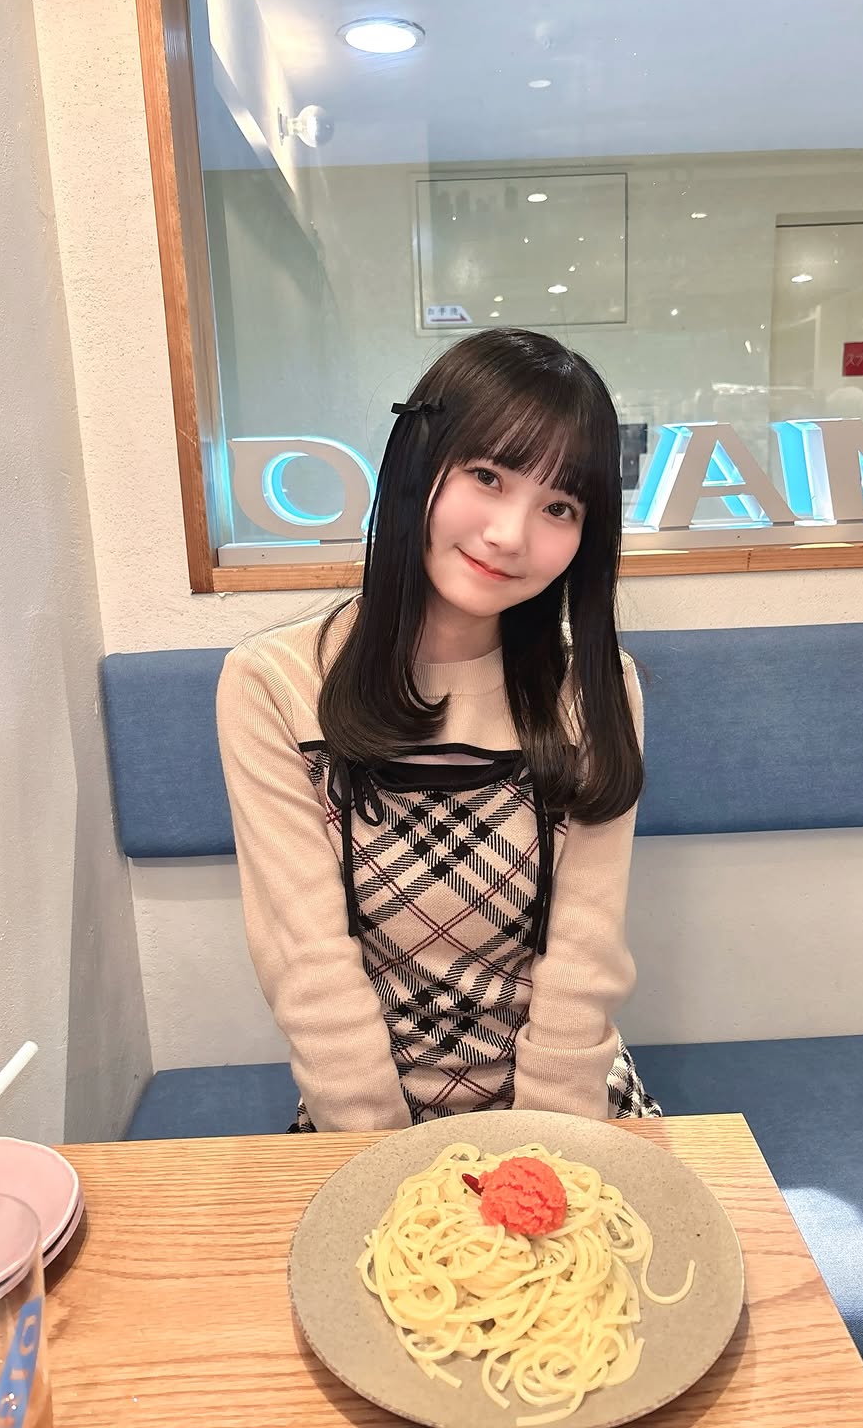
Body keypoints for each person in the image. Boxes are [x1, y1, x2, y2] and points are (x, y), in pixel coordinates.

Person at [216, 328, 661, 1132]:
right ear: (419, 464)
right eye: (487, 476)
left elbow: (585, 957)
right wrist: (381, 1157)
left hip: (561, 1100)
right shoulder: (274, 684)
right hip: (369, 1110)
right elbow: (308, 968)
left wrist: (546, 1157)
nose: (510, 535)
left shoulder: (596, 688)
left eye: (559, 507)